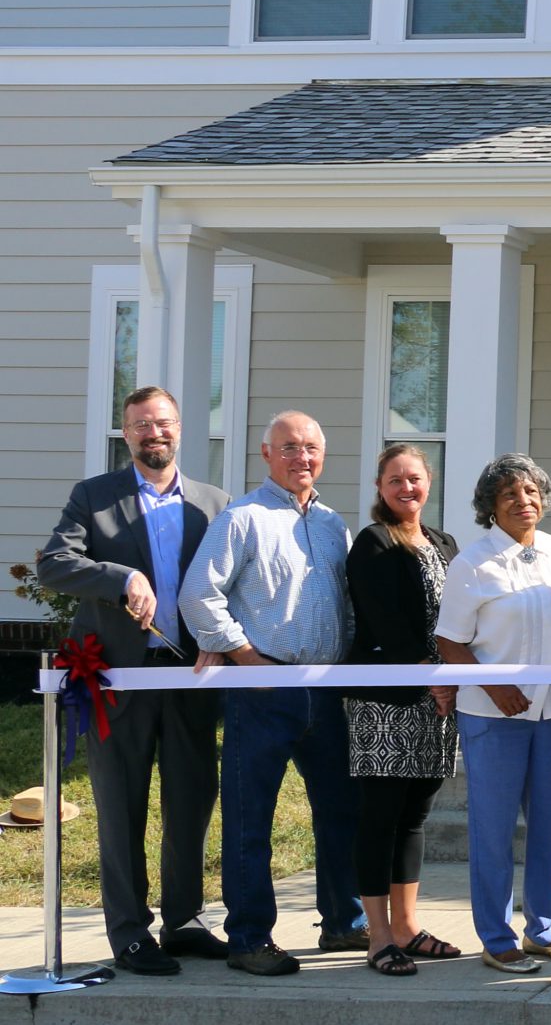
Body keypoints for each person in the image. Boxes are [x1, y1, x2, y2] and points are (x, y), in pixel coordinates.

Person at [36, 386, 230, 974]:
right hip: (118, 677)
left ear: (180, 429)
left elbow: (234, 581)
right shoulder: (94, 498)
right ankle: (128, 931)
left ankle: (183, 920)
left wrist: (226, 642)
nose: (155, 434)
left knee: (192, 800)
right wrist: (121, 577)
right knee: (122, 806)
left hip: (192, 674)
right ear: (127, 434)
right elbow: (53, 564)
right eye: (142, 426)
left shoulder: (215, 504)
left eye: (164, 423)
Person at [177, 410, 360, 977]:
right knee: (250, 816)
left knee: (339, 811)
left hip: (328, 687)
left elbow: (349, 605)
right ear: (265, 453)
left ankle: (342, 920)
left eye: (310, 447)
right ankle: (250, 936)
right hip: (262, 688)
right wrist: (242, 654)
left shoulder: (333, 524)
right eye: (288, 447)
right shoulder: (242, 518)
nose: (301, 457)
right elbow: (198, 594)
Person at [436, 455, 551, 974]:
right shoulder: (472, 563)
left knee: (550, 823)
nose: (524, 501)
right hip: (493, 714)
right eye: (509, 496)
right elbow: (448, 641)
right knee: (495, 830)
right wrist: (494, 685)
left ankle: (543, 930)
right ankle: (496, 937)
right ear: (490, 508)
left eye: (530, 491)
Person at [343, 444, 463, 977]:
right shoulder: (372, 543)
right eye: (395, 480)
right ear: (380, 487)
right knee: (381, 817)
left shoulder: (444, 543)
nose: (406, 488)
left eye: (414, 478)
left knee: (414, 816)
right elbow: (382, 619)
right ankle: (379, 936)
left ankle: (408, 927)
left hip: (439, 702)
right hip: (388, 699)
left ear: (429, 482)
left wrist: (450, 679)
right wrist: (427, 674)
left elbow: (459, 614)